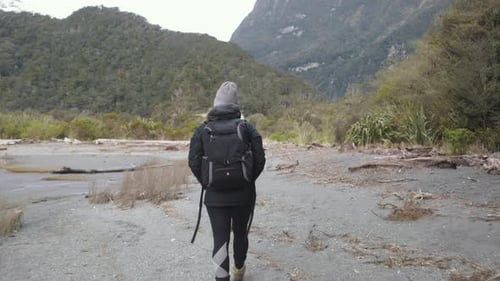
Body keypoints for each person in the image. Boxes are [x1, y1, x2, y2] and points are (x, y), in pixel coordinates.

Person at [188, 81, 266, 281]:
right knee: (240, 233)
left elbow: (193, 162)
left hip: (215, 197)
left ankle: (222, 278)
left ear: (216, 104)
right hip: (244, 194)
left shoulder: (202, 130)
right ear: (235, 105)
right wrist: (248, 179)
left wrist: (208, 182)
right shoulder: (247, 127)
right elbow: (260, 159)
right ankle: (239, 270)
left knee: (220, 240)